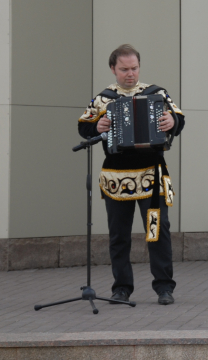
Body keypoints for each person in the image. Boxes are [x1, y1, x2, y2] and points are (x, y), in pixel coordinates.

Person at [78, 44, 185, 306]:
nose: (130, 74)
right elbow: (84, 126)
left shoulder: (156, 93)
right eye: (124, 69)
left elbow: (178, 118)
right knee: (119, 235)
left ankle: (164, 287)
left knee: (157, 232)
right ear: (113, 69)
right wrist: (97, 125)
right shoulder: (104, 99)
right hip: (117, 178)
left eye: (134, 68)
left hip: (152, 175)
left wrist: (172, 120)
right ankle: (122, 288)